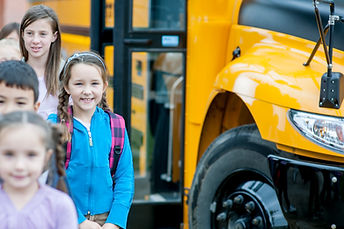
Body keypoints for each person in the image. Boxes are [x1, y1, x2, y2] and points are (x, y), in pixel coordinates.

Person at [48, 51, 134, 229]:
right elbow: (53, 177)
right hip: (66, 217)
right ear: (67, 86)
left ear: (104, 86)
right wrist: (80, 221)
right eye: (79, 84)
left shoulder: (116, 125)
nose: (87, 91)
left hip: (107, 220)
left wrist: (115, 221)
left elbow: (125, 177)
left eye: (94, 83)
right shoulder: (55, 124)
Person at [0, 111, 78, 228]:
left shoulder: (61, 206)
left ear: (46, 157)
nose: (19, 166)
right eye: (9, 154)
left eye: (31, 155)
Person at [20, 5, 63, 119]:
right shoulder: (13, 73)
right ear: (22, 34)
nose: (35, 40)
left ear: (54, 36)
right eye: (30, 33)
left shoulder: (65, 73)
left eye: (43, 34)